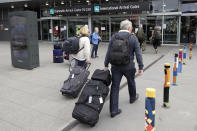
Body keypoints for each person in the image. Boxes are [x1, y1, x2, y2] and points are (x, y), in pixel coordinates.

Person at [104, 20, 144, 118]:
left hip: (115, 66)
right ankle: (132, 98)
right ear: (129, 28)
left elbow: (108, 51)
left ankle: (113, 110)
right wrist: (141, 67)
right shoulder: (133, 38)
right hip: (129, 65)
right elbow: (138, 54)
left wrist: (106, 64)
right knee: (131, 81)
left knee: (115, 86)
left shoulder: (114, 36)